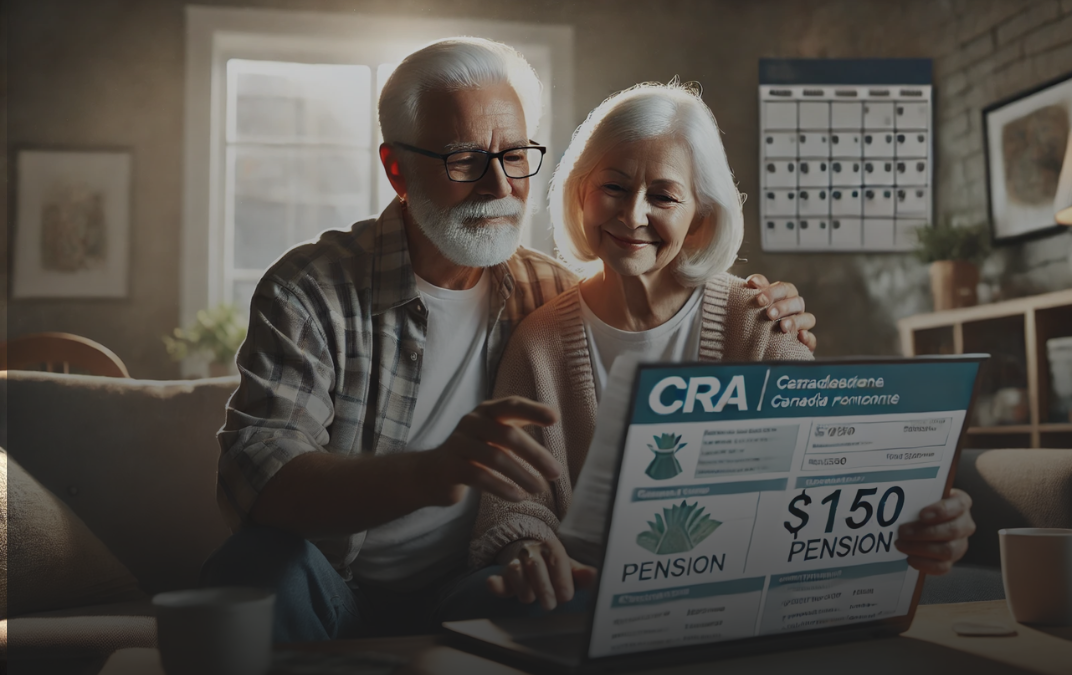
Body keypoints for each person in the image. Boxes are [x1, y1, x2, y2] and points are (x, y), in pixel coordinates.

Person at [203, 39, 818, 643]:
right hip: (331, 581)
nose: (499, 187)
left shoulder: (545, 293)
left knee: (570, 603)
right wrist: (428, 474)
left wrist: (770, 307)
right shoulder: (311, 291)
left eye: (516, 156)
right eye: (465, 159)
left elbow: (647, 285)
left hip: (468, 583)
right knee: (257, 569)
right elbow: (261, 472)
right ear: (398, 169)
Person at [469, 82, 977, 613]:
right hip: (585, 597)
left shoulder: (759, 321)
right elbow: (512, 507)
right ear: (580, 192)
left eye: (664, 196)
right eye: (613, 187)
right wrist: (527, 548)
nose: (633, 214)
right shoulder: (539, 341)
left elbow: (828, 472)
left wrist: (923, 510)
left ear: (700, 219)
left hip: (735, 594)